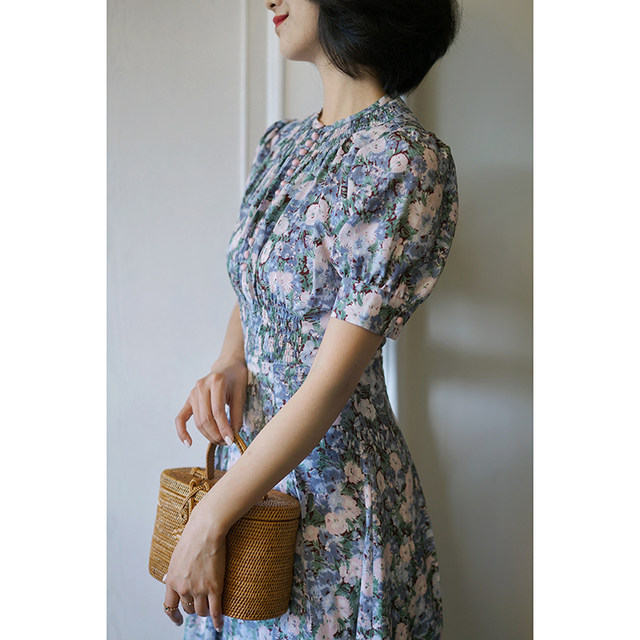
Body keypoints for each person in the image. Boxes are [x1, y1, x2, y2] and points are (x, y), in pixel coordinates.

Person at [163, 0, 460, 638]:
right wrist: (230, 360)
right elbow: (258, 280)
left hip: (334, 504)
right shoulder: (281, 144)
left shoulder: (402, 158)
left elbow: (328, 387)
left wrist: (209, 518)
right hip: (249, 478)